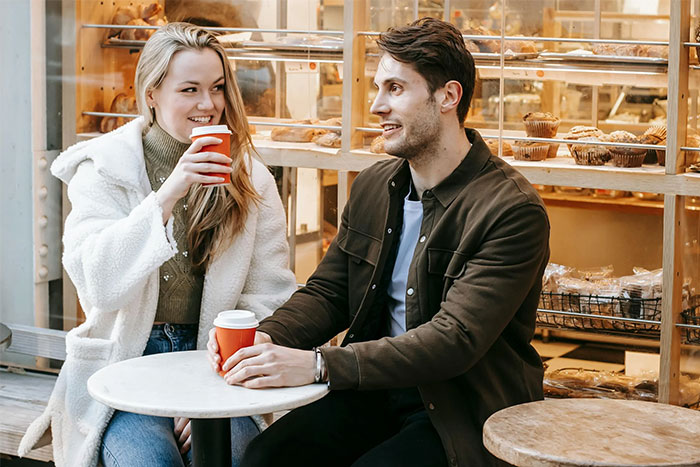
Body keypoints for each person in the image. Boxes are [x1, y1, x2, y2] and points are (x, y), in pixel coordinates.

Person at [206, 17, 550, 467]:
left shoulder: (511, 210)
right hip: (373, 389)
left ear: (448, 96)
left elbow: (454, 339)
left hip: (459, 408)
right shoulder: (375, 185)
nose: (376, 106)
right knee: (266, 457)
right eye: (377, 88)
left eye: (395, 88)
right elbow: (329, 292)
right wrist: (264, 338)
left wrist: (319, 364)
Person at [18, 23, 297, 467]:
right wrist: (168, 196)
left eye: (218, 88)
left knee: (242, 457)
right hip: (125, 360)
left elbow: (271, 294)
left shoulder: (250, 178)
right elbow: (97, 286)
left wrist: (213, 382)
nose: (208, 104)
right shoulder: (104, 169)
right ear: (152, 93)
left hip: (214, 361)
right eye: (189, 89)